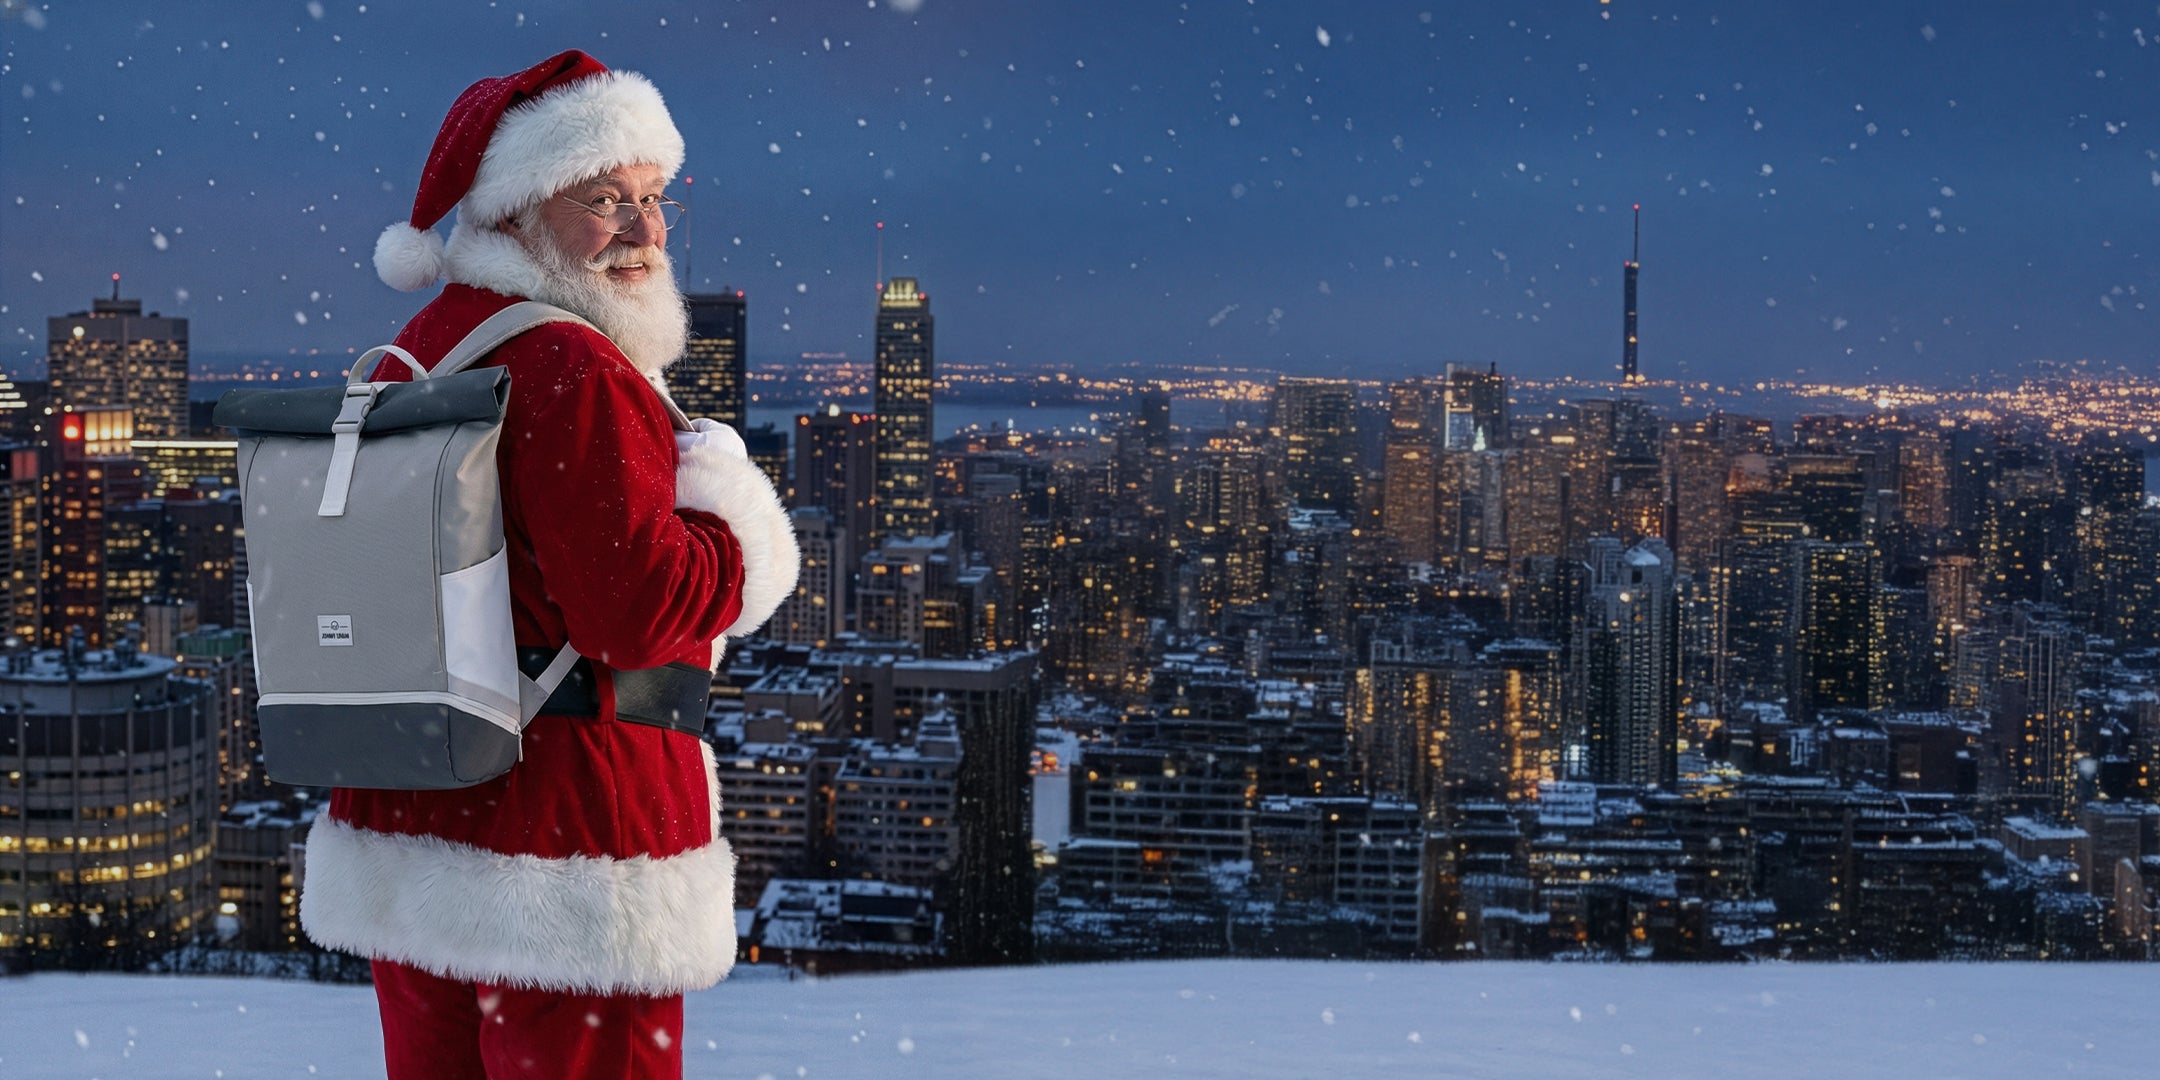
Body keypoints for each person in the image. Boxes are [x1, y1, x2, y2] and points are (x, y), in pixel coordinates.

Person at [298, 51, 798, 1079]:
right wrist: (738, 530)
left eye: (655, 197)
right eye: (604, 198)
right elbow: (638, 610)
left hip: (416, 812)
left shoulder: (427, 341)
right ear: (518, 213)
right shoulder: (574, 364)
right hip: (572, 844)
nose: (646, 230)